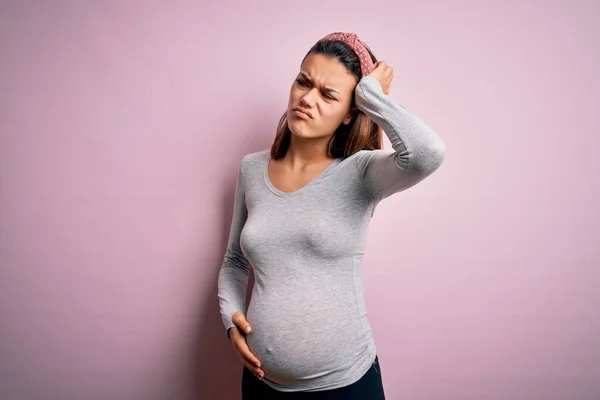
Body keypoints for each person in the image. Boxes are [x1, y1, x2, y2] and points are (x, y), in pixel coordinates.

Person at [217, 31, 446, 399]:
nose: (306, 99)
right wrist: (231, 319)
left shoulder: (362, 173)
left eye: (328, 95)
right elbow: (234, 261)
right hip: (261, 383)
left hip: (344, 386)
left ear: (350, 112)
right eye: (303, 82)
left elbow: (427, 154)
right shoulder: (251, 169)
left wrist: (373, 97)